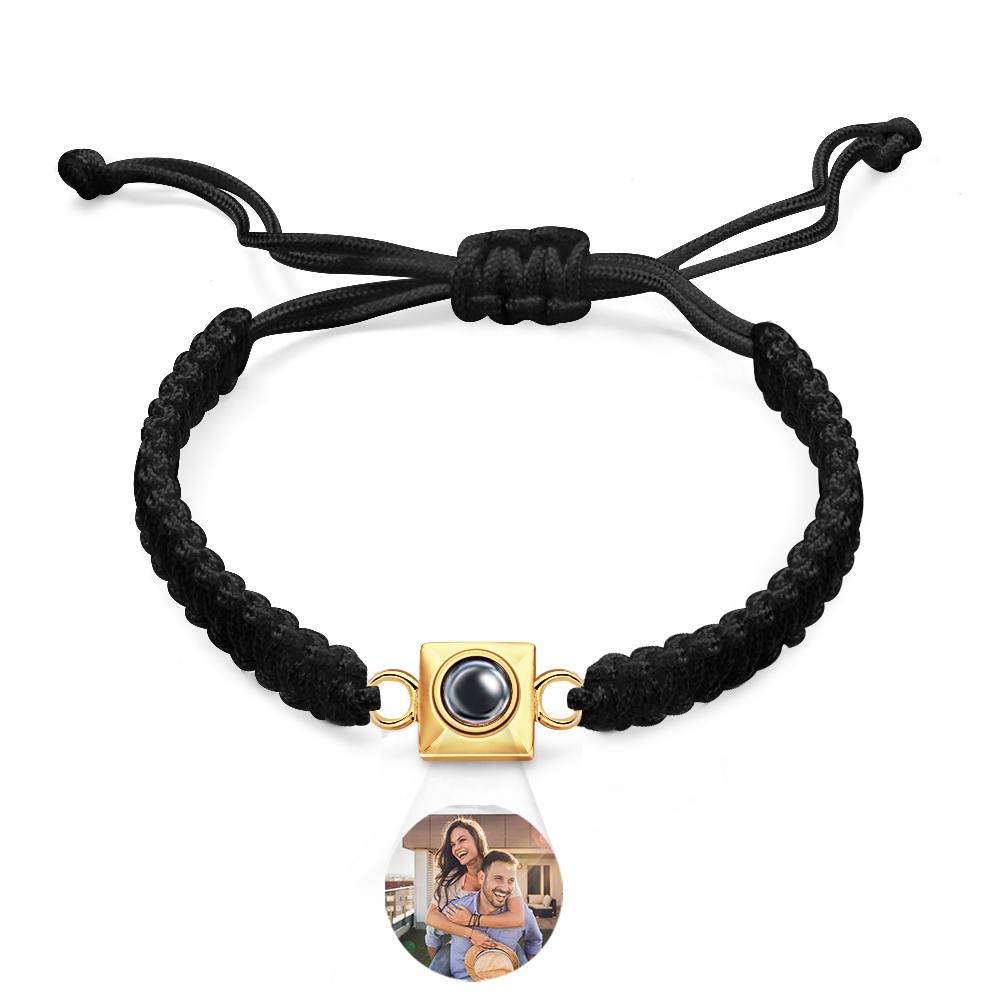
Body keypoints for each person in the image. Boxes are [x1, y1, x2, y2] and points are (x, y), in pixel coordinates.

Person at [423, 818, 533, 975]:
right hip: (462, 942)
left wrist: (472, 920)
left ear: (478, 840)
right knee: (434, 948)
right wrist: (471, 933)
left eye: (462, 840)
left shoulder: (499, 869)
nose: (456, 848)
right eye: (453, 844)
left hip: (500, 942)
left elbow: (518, 918)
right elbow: (431, 917)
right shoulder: (452, 880)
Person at [446, 851, 543, 980]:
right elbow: (433, 935)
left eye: (511, 881)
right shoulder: (457, 910)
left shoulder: (523, 914)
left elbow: (534, 941)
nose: (505, 887)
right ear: (482, 878)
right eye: (498, 878)